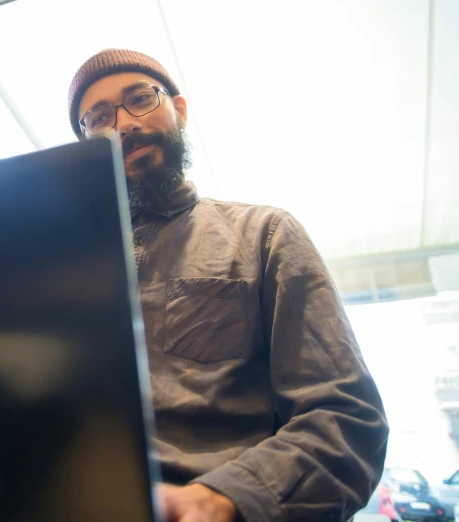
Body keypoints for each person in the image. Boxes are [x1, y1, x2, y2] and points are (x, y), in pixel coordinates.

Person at [67, 49, 389, 522]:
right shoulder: (64, 271)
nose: (123, 123)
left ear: (177, 109)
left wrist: (222, 499)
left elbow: (345, 421)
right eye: (98, 118)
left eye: (139, 98)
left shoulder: (264, 235)